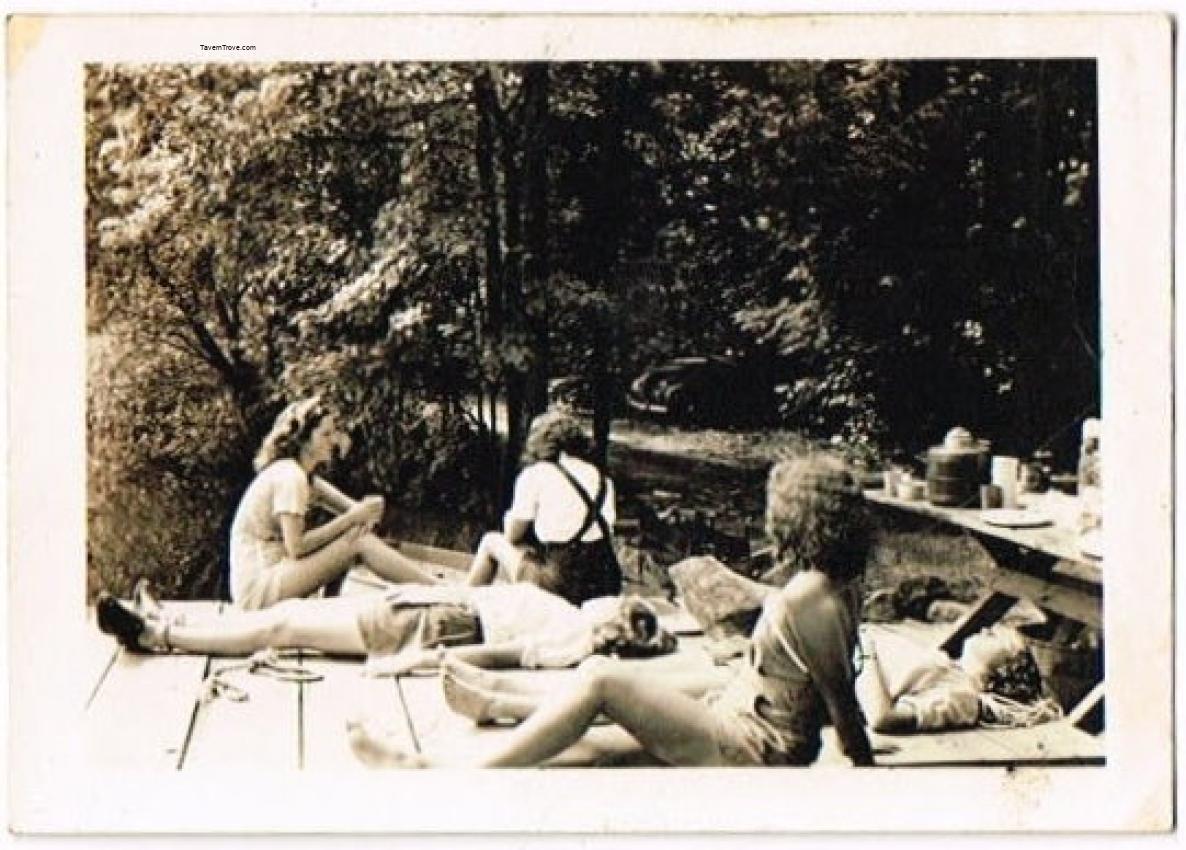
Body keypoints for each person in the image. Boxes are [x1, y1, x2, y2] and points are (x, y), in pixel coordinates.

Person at [347, 451, 877, 769]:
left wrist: (868, 779)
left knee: (602, 678)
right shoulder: (836, 585)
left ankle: (449, 771)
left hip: (754, 748)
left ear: (794, 521)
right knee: (602, 734)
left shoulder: (807, 600)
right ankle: (488, 709)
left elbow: (844, 709)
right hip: (743, 717)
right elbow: (824, 687)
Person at [94, 580, 676, 673]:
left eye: (619, 608)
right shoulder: (571, 614)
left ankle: (158, 635)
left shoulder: (574, 639)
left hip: (435, 627)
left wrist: (413, 661)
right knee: (288, 615)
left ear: (615, 629)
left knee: (285, 626)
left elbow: (510, 655)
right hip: (429, 609)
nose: (608, 600)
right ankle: (168, 619)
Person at [229, 396, 438, 609]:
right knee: (358, 541)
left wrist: (370, 509)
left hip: (275, 576)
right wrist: (354, 518)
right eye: (325, 434)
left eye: (333, 433)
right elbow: (297, 547)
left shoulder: (306, 478)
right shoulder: (290, 477)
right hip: (259, 588)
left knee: (355, 534)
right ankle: (438, 591)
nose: (333, 441)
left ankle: (432, 588)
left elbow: (357, 512)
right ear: (303, 440)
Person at [465, 411, 622, 606]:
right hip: (603, 584)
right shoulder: (603, 480)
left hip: (559, 585)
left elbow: (512, 535)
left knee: (491, 541)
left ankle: (467, 606)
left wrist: (510, 519)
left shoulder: (536, 474)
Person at [856, 625, 1064, 732]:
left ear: (1005, 669)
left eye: (994, 636)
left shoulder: (964, 699)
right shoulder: (955, 671)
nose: (985, 629)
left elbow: (882, 718)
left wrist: (865, 650)